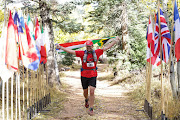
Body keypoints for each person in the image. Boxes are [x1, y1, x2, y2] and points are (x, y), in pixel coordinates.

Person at [56, 36, 120, 116]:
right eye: (87, 46)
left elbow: (106, 47)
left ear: (92, 46)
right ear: (86, 47)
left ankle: (91, 108)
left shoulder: (97, 52)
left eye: (90, 46)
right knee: (85, 92)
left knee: (92, 91)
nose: (88, 48)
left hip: (93, 74)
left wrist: (115, 41)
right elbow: (71, 51)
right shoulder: (82, 53)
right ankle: (86, 99)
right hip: (84, 75)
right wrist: (61, 47)